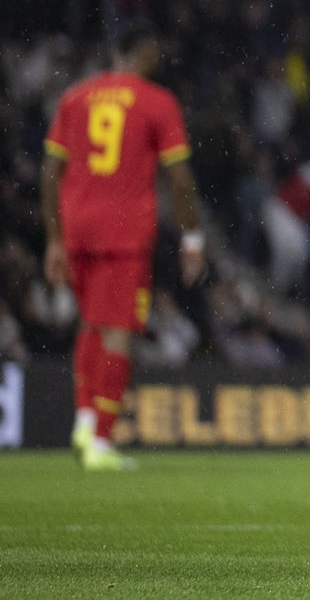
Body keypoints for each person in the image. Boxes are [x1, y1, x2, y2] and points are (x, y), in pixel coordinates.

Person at [41, 26, 205, 470]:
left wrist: (54, 238)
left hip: (77, 226)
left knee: (91, 324)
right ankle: (101, 442)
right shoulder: (157, 102)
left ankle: (84, 417)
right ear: (147, 53)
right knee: (118, 331)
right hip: (123, 231)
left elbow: (50, 173)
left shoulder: (74, 98)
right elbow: (181, 179)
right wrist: (192, 238)